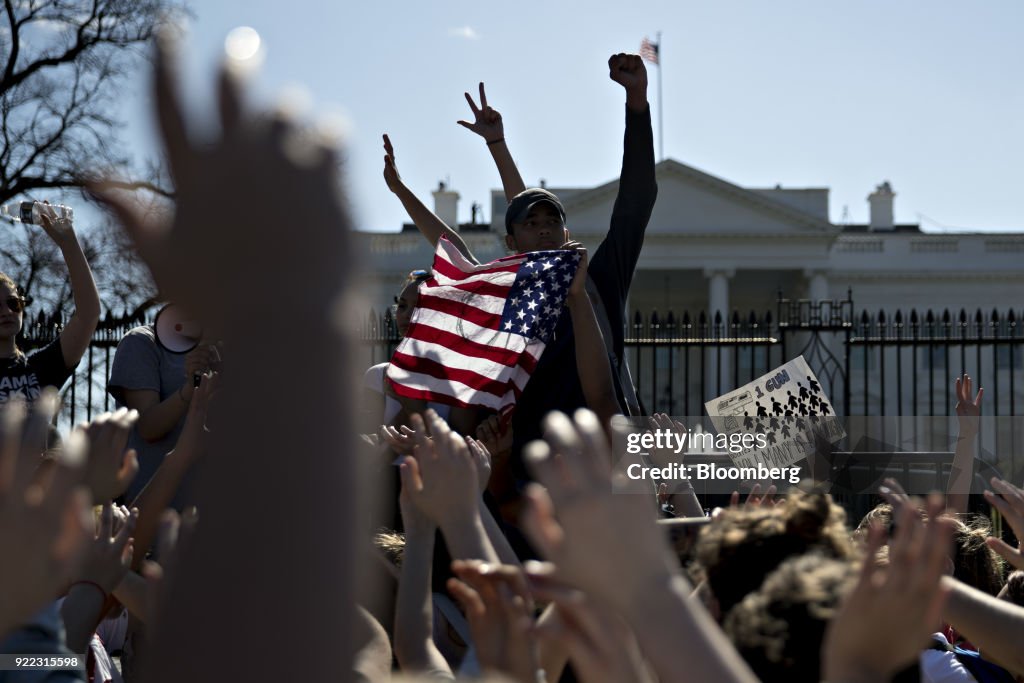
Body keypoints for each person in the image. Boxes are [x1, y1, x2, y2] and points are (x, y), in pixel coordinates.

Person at [0, 203, 100, 405]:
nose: (6, 311)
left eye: (13, 303)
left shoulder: (39, 368)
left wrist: (68, 242)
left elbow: (88, 315)